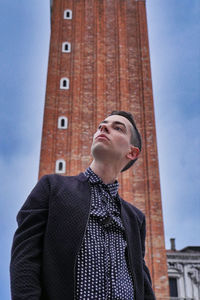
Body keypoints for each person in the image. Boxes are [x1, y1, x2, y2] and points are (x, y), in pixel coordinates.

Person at [10, 111, 156, 300]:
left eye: (117, 128)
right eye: (101, 125)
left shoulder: (135, 218)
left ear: (132, 152)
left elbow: (142, 284)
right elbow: (24, 260)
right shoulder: (53, 188)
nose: (104, 128)